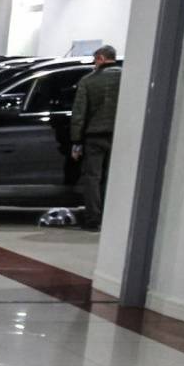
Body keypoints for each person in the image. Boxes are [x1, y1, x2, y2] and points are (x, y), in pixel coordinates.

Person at [69, 44, 121, 231]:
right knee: (114, 178)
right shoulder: (126, 78)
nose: (94, 64)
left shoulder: (88, 81)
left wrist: (76, 141)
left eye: (94, 60)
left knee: (93, 178)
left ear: (100, 58)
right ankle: (112, 218)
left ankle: (93, 219)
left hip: (95, 136)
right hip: (120, 136)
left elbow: (79, 113)